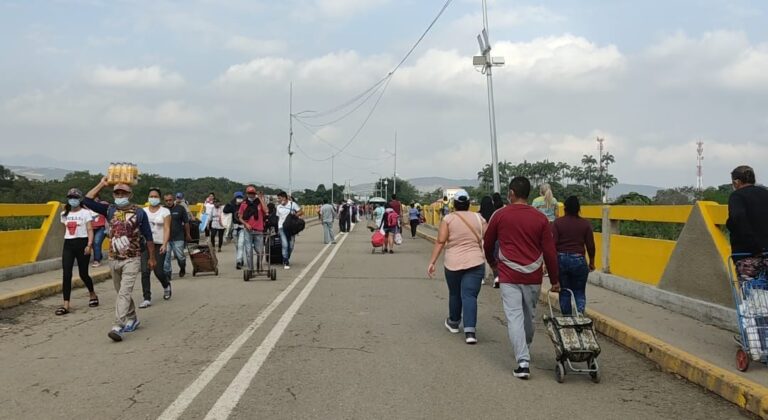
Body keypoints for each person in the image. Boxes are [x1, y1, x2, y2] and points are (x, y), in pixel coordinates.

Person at [483, 176, 560, 379]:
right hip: (533, 275)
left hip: (508, 274)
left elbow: (487, 242)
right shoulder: (540, 218)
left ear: (511, 193)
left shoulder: (500, 215)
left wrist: (493, 264)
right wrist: (555, 280)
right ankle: (523, 354)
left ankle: (523, 360)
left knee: (515, 317)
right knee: (528, 316)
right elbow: (550, 251)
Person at [83, 177, 156, 342]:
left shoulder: (139, 212)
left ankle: (118, 326)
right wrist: (102, 184)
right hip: (114, 258)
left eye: (123, 192)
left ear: (130, 194)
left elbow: (149, 236)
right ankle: (133, 318)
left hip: (132, 258)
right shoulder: (109, 209)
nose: (120, 195)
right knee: (121, 291)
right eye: (117, 192)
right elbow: (87, 200)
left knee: (124, 292)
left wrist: (152, 257)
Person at [427, 190, 487, 344]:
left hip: (453, 262)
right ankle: (470, 332)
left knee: (455, 293)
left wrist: (432, 262)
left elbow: (440, 241)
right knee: (470, 295)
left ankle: (454, 322)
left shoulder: (448, 219)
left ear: (453, 204)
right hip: (475, 261)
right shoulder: (479, 218)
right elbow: (487, 237)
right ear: (469, 204)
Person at [56, 188, 99, 315]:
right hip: (69, 244)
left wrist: (89, 245)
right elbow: (64, 229)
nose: (72, 200)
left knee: (83, 273)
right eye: (70, 198)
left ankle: (92, 294)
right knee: (67, 273)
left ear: (79, 199)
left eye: (75, 198)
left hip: (83, 243)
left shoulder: (86, 213)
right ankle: (66, 304)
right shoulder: (64, 214)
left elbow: (90, 230)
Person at [552, 196, 595, 315]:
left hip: (561, 260)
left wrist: (550, 263)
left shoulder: (557, 223)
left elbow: (552, 245)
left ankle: (567, 319)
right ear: (578, 209)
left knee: (564, 291)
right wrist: (591, 261)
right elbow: (590, 246)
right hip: (579, 260)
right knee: (579, 291)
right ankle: (580, 315)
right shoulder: (585, 224)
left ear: (565, 208)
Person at [139, 188, 172, 309]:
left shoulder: (165, 212)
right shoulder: (143, 211)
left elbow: (167, 228)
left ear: (159, 198)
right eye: (151, 196)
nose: (153, 198)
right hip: (146, 244)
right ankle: (146, 298)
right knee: (145, 271)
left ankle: (166, 285)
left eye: (155, 196)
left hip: (159, 244)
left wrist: (165, 243)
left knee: (158, 270)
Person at [727, 165, 768, 259]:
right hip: (767, 251)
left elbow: (738, 219)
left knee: (749, 273)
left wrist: (755, 248)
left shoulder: (737, 196)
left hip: (746, 253)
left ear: (736, 182)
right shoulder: (765, 193)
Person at [239, 185, 268, 275]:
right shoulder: (244, 204)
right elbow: (240, 217)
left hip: (259, 230)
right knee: (248, 251)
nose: (251, 195)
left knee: (260, 251)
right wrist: (246, 224)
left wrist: (260, 198)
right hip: (248, 230)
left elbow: (266, 210)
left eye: (252, 193)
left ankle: (259, 266)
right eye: (249, 193)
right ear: (247, 194)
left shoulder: (259, 203)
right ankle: (250, 269)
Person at [163, 193, 192, 279]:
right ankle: (168, 274)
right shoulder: (162, 210)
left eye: (170, 200)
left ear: (173, 199)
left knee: (180, 256)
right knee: (166, 257)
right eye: (166, 200)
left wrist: (188, 234)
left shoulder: (180, 208)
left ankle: (182, 267)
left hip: (178, 237)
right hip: (166, 238)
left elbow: (186, 222)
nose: (168, 202)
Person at [276, 191, 302, 269]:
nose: (278, 200)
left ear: (284, 198)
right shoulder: (278, 207)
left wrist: (294, 215)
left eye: (279, 198)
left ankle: (287, 257)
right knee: (285, 244)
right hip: (281, 227)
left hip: (291, 228)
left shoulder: (292, 204)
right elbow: (278, 217)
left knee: (290, 245)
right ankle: (285, 260)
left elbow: (301, 211)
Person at [224, 191, 246, 269]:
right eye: (237, 197)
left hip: (243, 228)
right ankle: (241, 258)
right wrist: (230, 202)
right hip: (235, 228)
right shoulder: (232, 206)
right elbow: (225, 210)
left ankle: (238, 261)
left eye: (240, 197)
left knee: (240, 245)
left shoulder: (244, 205)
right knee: (237, 246)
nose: (239, 199)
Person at [90, 198, 108, 268]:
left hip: (101, 228)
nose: (95, 199)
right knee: (93, 244)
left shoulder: (103, 204)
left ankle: (96, 260)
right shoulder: (87, 206)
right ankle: (99, 256)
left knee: (96, 242)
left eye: (96, 198)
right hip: (91, 228)